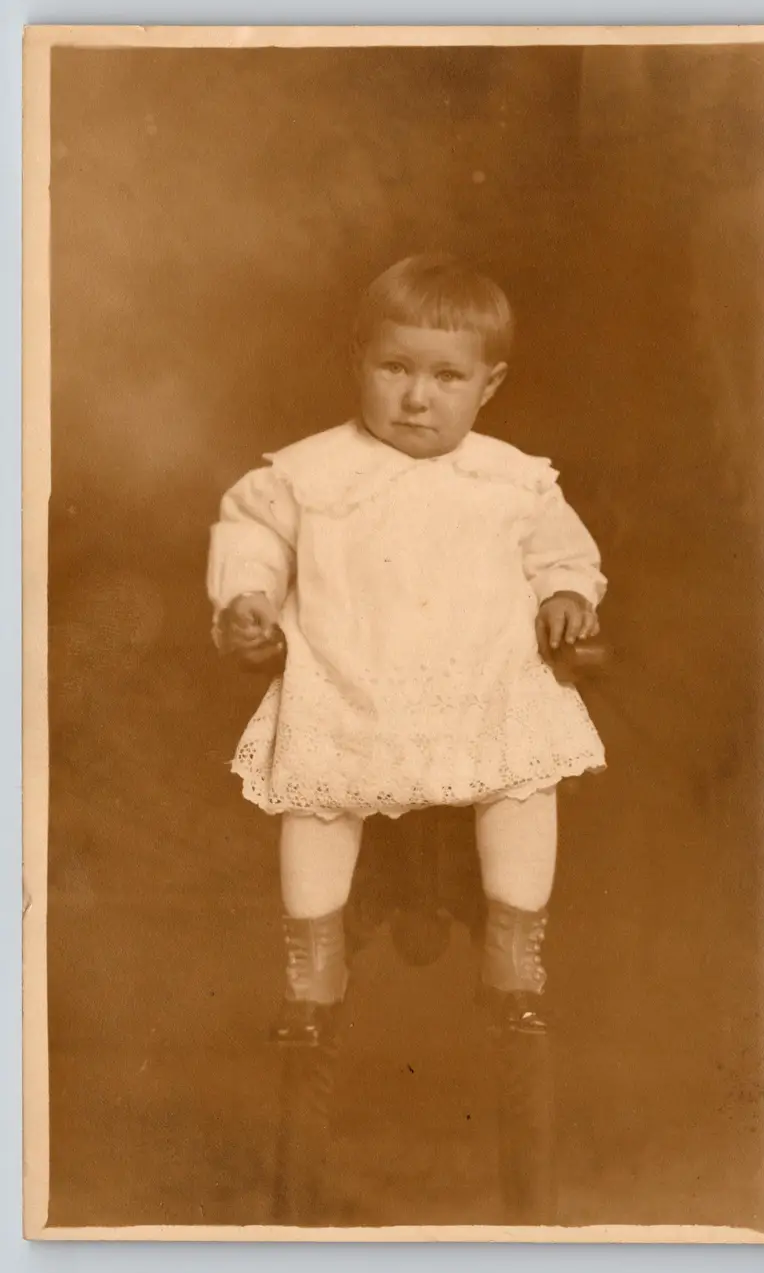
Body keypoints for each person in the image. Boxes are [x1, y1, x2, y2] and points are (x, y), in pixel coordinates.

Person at [207, 253, 606, 1047]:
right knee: (316, 797)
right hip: (352, 683)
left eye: (446, 377)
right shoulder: (311, 470)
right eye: (394, 368)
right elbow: (250, 530)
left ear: (487, 386)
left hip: (481, 686)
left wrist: (568, 596)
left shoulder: (513, 480)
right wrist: (247, 595)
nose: (417, 396)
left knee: (525, 779)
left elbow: (564, 554)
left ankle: (514, 955)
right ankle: (312, 968)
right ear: (360, 362)